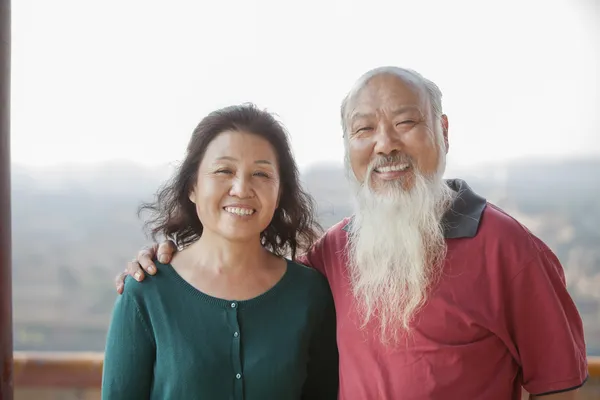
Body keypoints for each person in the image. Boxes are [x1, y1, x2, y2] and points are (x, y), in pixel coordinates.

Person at [116, 67, 588, 399]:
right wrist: (161, 263)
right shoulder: (334, 252)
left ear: (442, 130)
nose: (386, 143)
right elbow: (248, 277)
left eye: (406, 122)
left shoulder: (510, 251)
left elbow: (559, 388)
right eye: (364, 129)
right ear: (348, 147)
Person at [102, 104, 339, 400]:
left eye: (262, 174)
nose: (241, 188)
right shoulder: (146, 293)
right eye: (224, 170)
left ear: (280, 193)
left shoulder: (310, 294)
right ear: (192, 186)